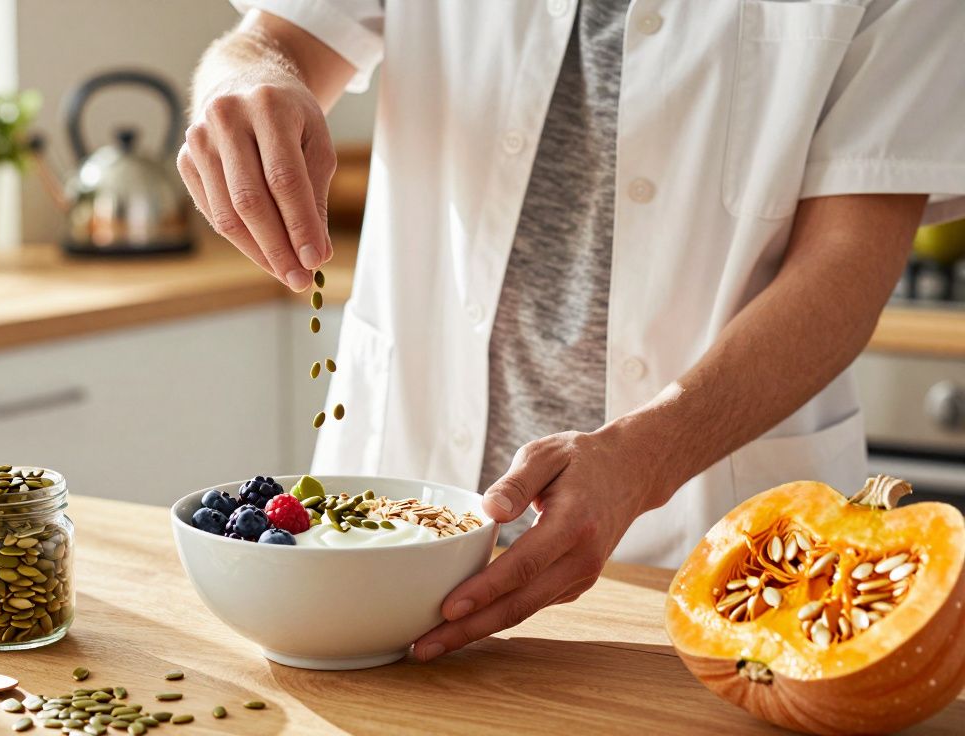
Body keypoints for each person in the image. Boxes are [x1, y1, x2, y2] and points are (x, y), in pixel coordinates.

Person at [177, 0, 965, 661]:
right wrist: (250, 85)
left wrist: (646, 457)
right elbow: (271, 41)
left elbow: (848, 267)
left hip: (709, 541)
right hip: (382, 542)